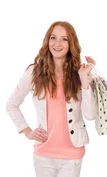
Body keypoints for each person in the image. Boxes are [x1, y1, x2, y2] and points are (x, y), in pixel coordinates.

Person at [6, 21, 98, 177]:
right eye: (53, 38)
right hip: (43, 155)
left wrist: (85, 81)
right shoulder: (33, 72)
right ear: (47, 40)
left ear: (71, 43)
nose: (57, 43)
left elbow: (90, 115)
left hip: (71, 155)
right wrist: (27, 131)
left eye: (64, 39)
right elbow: (11, 104)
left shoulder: (80, 73)